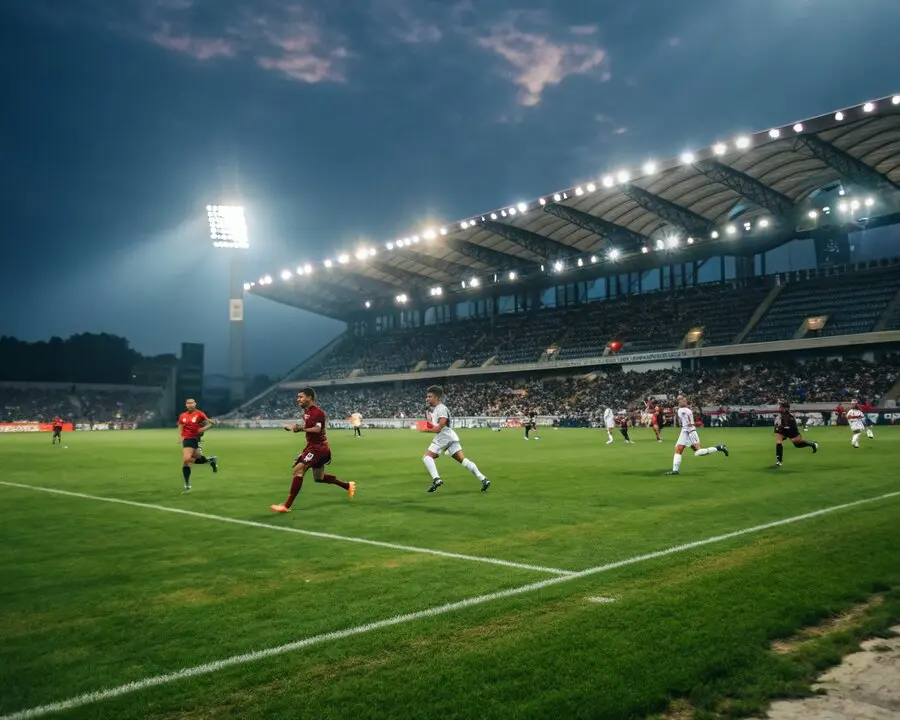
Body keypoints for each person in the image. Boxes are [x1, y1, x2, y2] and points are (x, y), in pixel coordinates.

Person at [270, 388, 355, 513]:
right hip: (313, 447)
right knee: (319, 477)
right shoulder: (307, 412)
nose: (298, 399)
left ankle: (286, 506)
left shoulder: (318, 412)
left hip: (318, 449)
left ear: (309, 397)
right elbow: (307, 427)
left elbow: (317, 429)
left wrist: (300, 429)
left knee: (298, 470)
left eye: (301, 397)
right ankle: (347, 486)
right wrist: (293, 427)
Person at [420, 384, 490, 493]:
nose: (427, 399)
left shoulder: (441, 409)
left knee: (426, 457)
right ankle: (483, 479)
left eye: (429, 396)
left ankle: (436, 479)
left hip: (444, 436)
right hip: (450, 437)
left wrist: (425, 429)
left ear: (437, 397)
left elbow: (439, 427)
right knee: (463, 460)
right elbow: (433, 425)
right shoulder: (435, 410)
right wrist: (428, 419)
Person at [666, 395, 729, 476]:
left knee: (699, 452)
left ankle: (719, 447)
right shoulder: (684, 410)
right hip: (684, 432)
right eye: (679, 400)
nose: (680, 401)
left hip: (689, 432)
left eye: (682, 400)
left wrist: (690, 432)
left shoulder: (683, 410)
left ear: (685, 402)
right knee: (678, 449)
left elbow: (689, 423)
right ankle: (675, 471)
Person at [177, 398, 218, 492]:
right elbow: (180, 426)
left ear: (195, 404)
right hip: (187, 439)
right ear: (186, 405)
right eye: (188, 403)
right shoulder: (182, 415)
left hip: (195, 439)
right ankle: (187, 484)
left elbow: (203, 426)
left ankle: (211, 460)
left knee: (196, 458)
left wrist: (212, 424)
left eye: (192, 403)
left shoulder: (200, 414)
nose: (190, 405)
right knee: (186, 460)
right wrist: (181, 436)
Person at [773, 400, 818, 467]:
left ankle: (813, 444)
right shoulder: (781, 413)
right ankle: (779, 461)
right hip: (783, 431)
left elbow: (786, 427)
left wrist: (778, 428)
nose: (779, 408)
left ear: (786, 408)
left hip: (791, 431)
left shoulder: (789, 416)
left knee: (797, 444)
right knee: (778, 442)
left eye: (781, 407)